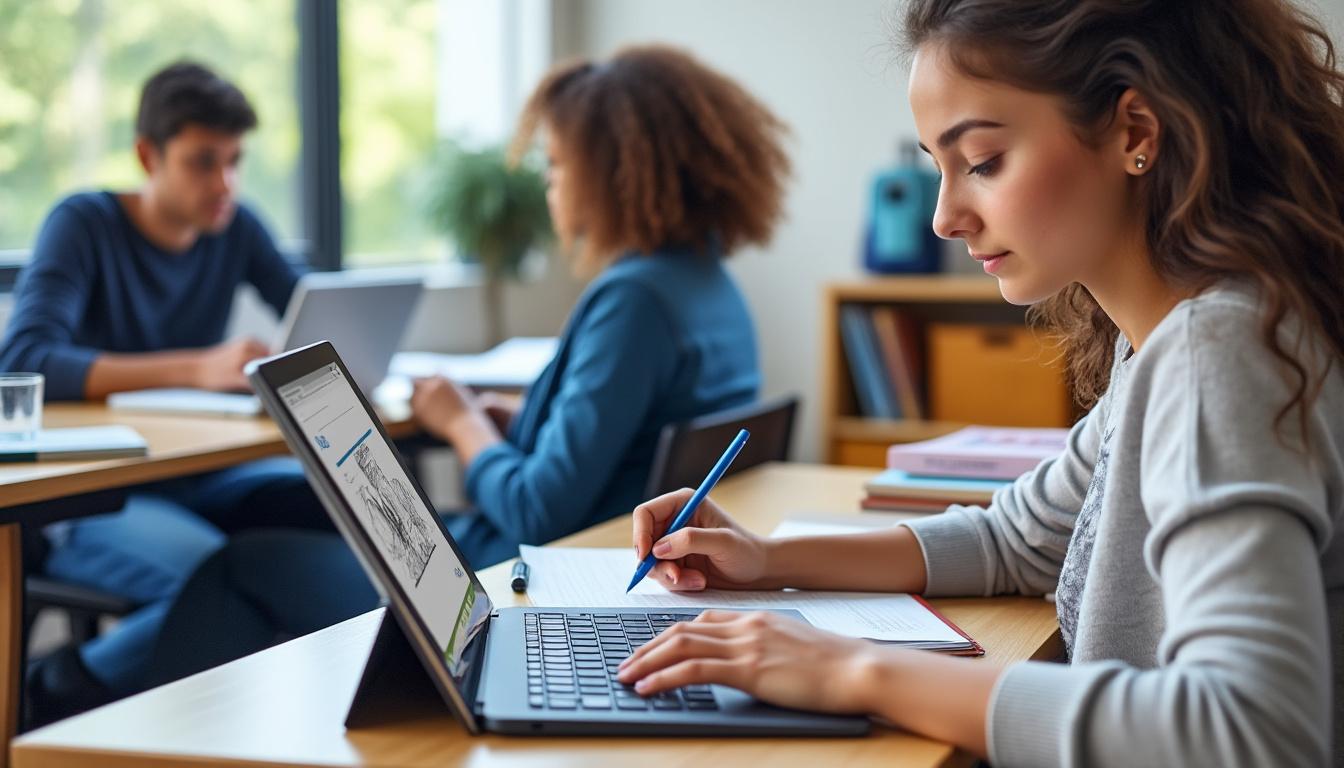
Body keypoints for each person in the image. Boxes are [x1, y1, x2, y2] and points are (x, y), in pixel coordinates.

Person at [617, 2, 1344, 765]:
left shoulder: (1216, 349)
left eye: (984, 161)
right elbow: (1016, 541)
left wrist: (853, 670)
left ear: (1136, 132)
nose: (943, 217)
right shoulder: (1167, 345)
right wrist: (769, 561)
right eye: (939, 166)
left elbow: (1251, 732)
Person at [5, 61, 328, 725]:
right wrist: (194, 368)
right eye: (203, 162)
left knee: (319, 511)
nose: (225, 183)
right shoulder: (84, 225)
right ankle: (57, 688)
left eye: (235, 161)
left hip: (195, 475)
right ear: (147, 155)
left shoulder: (233, 226)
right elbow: (24, 357)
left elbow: (307, 309)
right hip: (95, 490)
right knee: (220, 584)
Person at [407, 44, 787, 569]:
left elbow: (534, 511)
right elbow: (639, 438)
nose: (550, 183)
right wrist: (522, 419)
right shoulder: (710, 282)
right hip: (605, 553)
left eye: (558, 165)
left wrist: (459, 424)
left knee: (266, 552)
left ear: (612, 175)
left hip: (533, 571)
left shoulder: (635, 302)